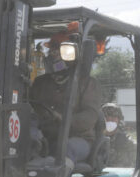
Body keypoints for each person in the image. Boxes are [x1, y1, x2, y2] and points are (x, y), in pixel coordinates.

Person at [30, 22, 104, 167]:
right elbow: (29, 107)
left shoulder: (87, 83)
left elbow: (90, 117)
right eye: (51, 49)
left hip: (78, 139)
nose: (52, 53)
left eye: (57, 48)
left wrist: (63, 119)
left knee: (65, 149)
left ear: (71, 53)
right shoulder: (40, 83)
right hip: (46, 137)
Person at [101, 103, 136, 167]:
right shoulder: (94, 140)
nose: (109, 119)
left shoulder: (128, 142)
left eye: (113, 117)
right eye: (106, 117)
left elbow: (135, 167)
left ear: (119, 120)